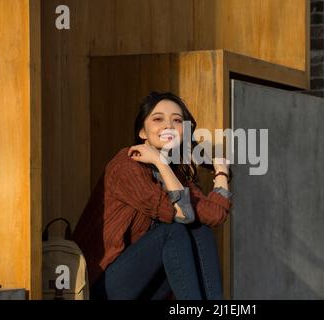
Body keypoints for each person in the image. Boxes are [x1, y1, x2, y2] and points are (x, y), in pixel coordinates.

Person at [72, 91, 232, 300]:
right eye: (158, 119)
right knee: (174, 230)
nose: (169, 126)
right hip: (103, 284)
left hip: (143, 284)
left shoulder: (173, 175)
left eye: (177, 121)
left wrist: (221, 172)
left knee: (200, 230)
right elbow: (183, 214)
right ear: (142, 132)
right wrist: (161, 162)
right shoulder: (126, 165)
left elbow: (214, 214)